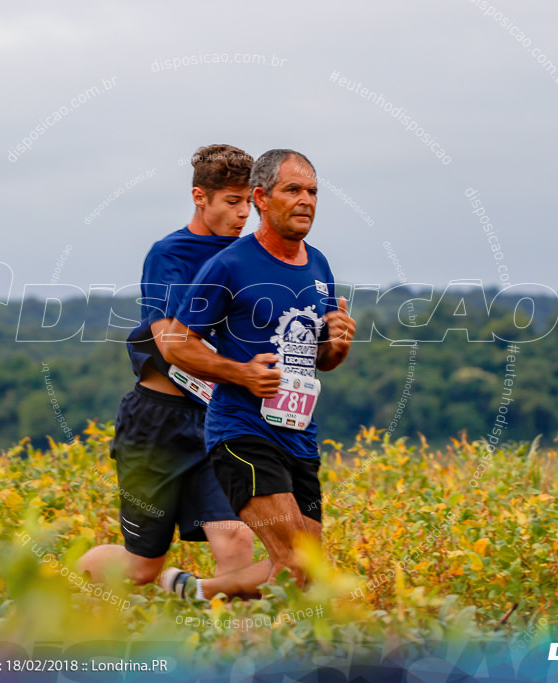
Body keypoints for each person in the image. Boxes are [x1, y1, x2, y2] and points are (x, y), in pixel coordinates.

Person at [159, 149, 355, 601]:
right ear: (262, 198)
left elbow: (321, 359)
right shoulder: (229, 265)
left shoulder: (319, 265)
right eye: (293, 190)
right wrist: (241, 374)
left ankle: (196, 592)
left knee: (307, 570)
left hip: (299, 437)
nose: (306, 200)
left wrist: (338, 344)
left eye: (313, 192)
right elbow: (176, 344)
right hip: (242, 433)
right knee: (295, 563)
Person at [77, 144, 256, 586]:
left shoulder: (252, 258)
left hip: (218, 421)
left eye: (250, 203)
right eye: (233, 202)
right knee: (142, 567)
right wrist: (243, 374)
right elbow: (171, 343)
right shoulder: (170, 255)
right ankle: (56, 590)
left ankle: (236, 650)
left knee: (236, 539)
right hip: (157, 423)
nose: (243, 214)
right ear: (201, 197)